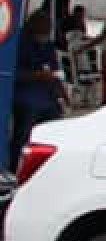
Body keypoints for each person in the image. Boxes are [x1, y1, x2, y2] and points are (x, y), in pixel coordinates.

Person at [9, 13, 67, 169]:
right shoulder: (20, 42)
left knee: (55, 121)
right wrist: (38, 75)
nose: (46, 33)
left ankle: (48, 163)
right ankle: (16, 165)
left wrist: (62, 94)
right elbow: (14, 73)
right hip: (24, 92)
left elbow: (54, 70)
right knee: (26, 125)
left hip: (45, 92)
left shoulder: (47, 44)